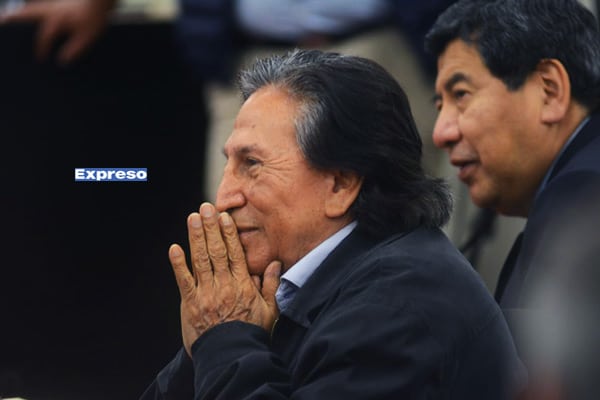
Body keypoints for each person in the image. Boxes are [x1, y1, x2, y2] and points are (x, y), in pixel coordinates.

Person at [139, 48, 522, 399]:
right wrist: (203, 347)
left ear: (340, 184)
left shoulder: (397, 307)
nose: (224, 198)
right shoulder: (288, 284)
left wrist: (224, 337)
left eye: (251, 164)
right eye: (229, 164)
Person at [425, 0, 600, 398]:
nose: (441, 132)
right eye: (438, 106)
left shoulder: (583, 196)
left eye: (460, 94)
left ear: (549, 90)